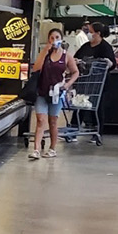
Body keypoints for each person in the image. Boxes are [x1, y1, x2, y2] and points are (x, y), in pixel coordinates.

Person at [29, 27, 79, 160]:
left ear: (61, 39)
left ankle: (52, 148)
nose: (54, 40)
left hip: (57, 93)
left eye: (57, 38)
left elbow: (75, 72)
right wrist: (45, 51)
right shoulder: (45, 54)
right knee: (40, 120)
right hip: (42, 91)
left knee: (53, 121)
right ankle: (36, 149)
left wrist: (67, 85)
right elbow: (36, 68)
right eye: (51, 38)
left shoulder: (66, 56)